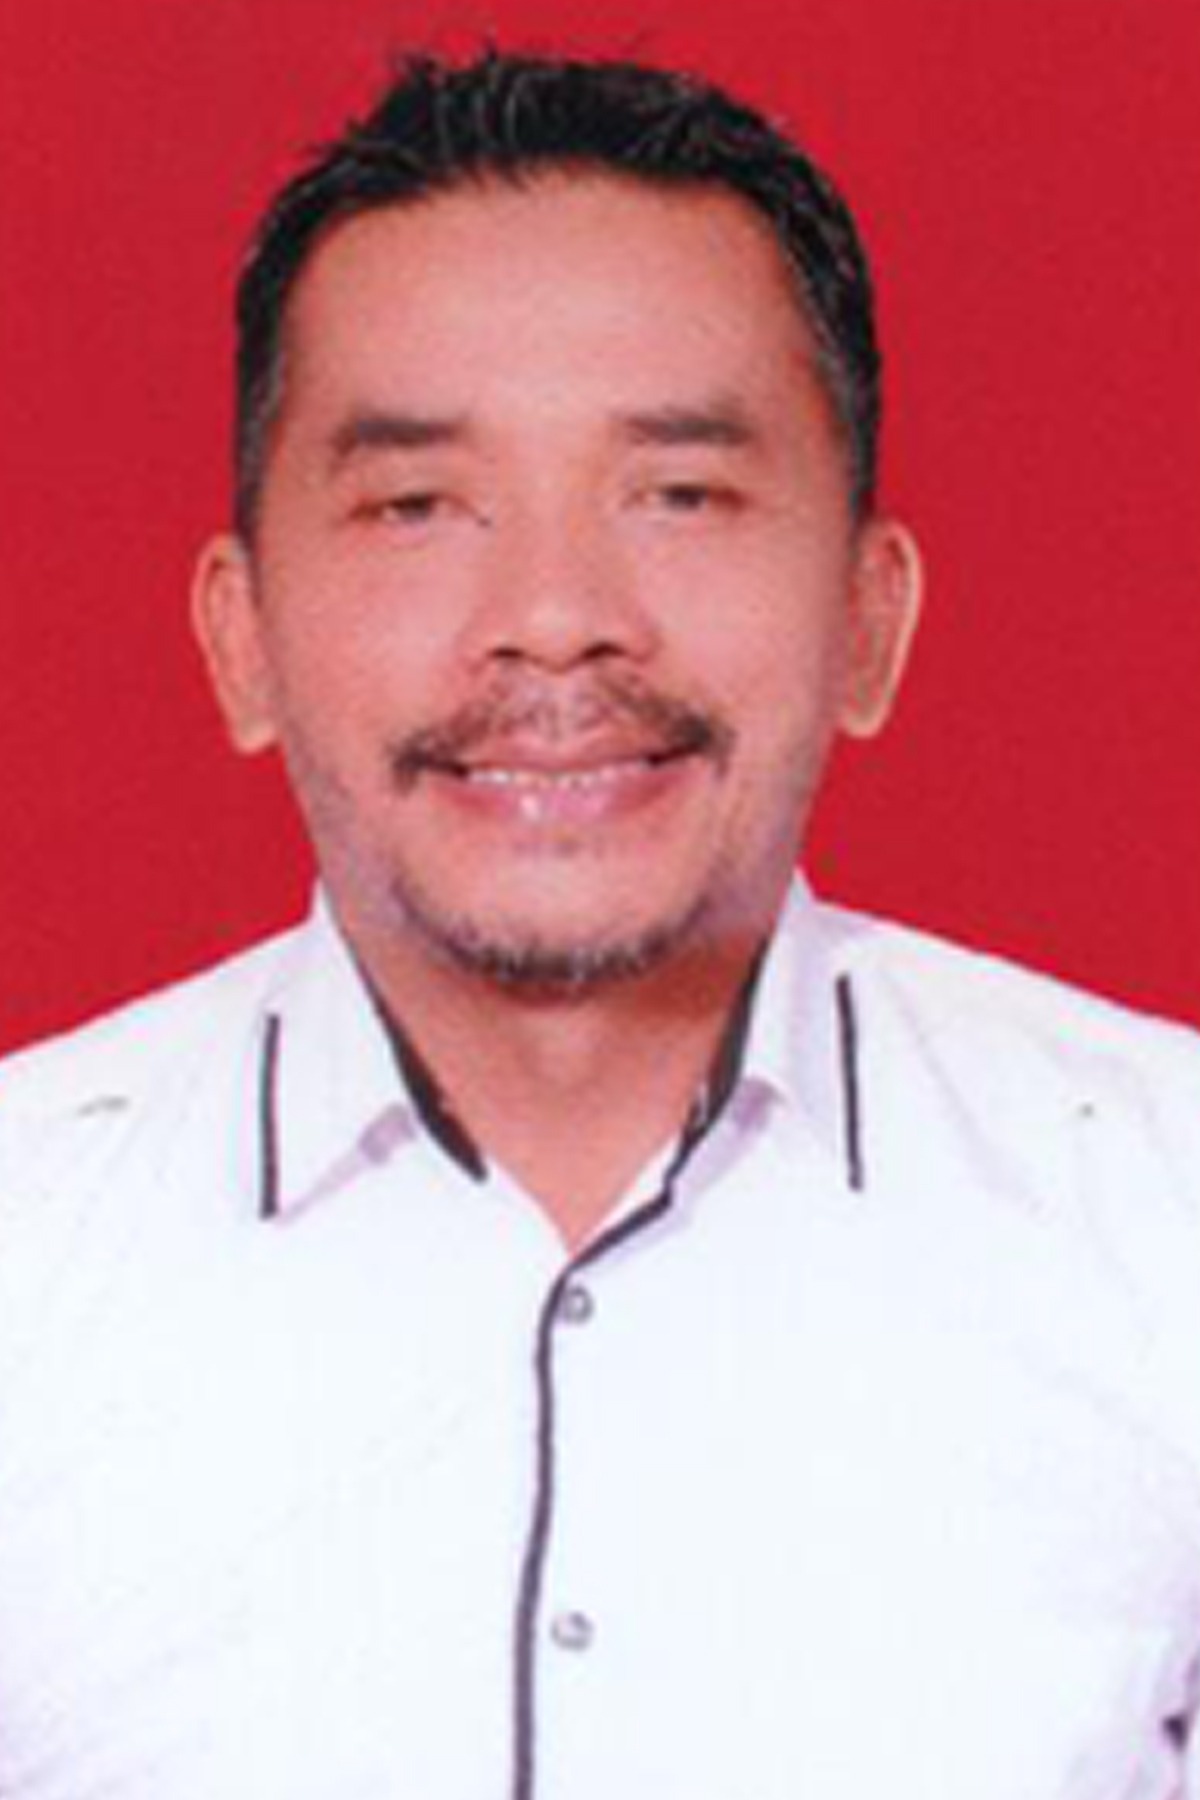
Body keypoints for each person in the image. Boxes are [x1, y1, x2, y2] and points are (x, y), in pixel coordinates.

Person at [1, 48, 1199, 1800]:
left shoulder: (1166, 1220)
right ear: (238, 638)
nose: (556, 618)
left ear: (871, 620)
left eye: (679, 493)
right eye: (418, 505)